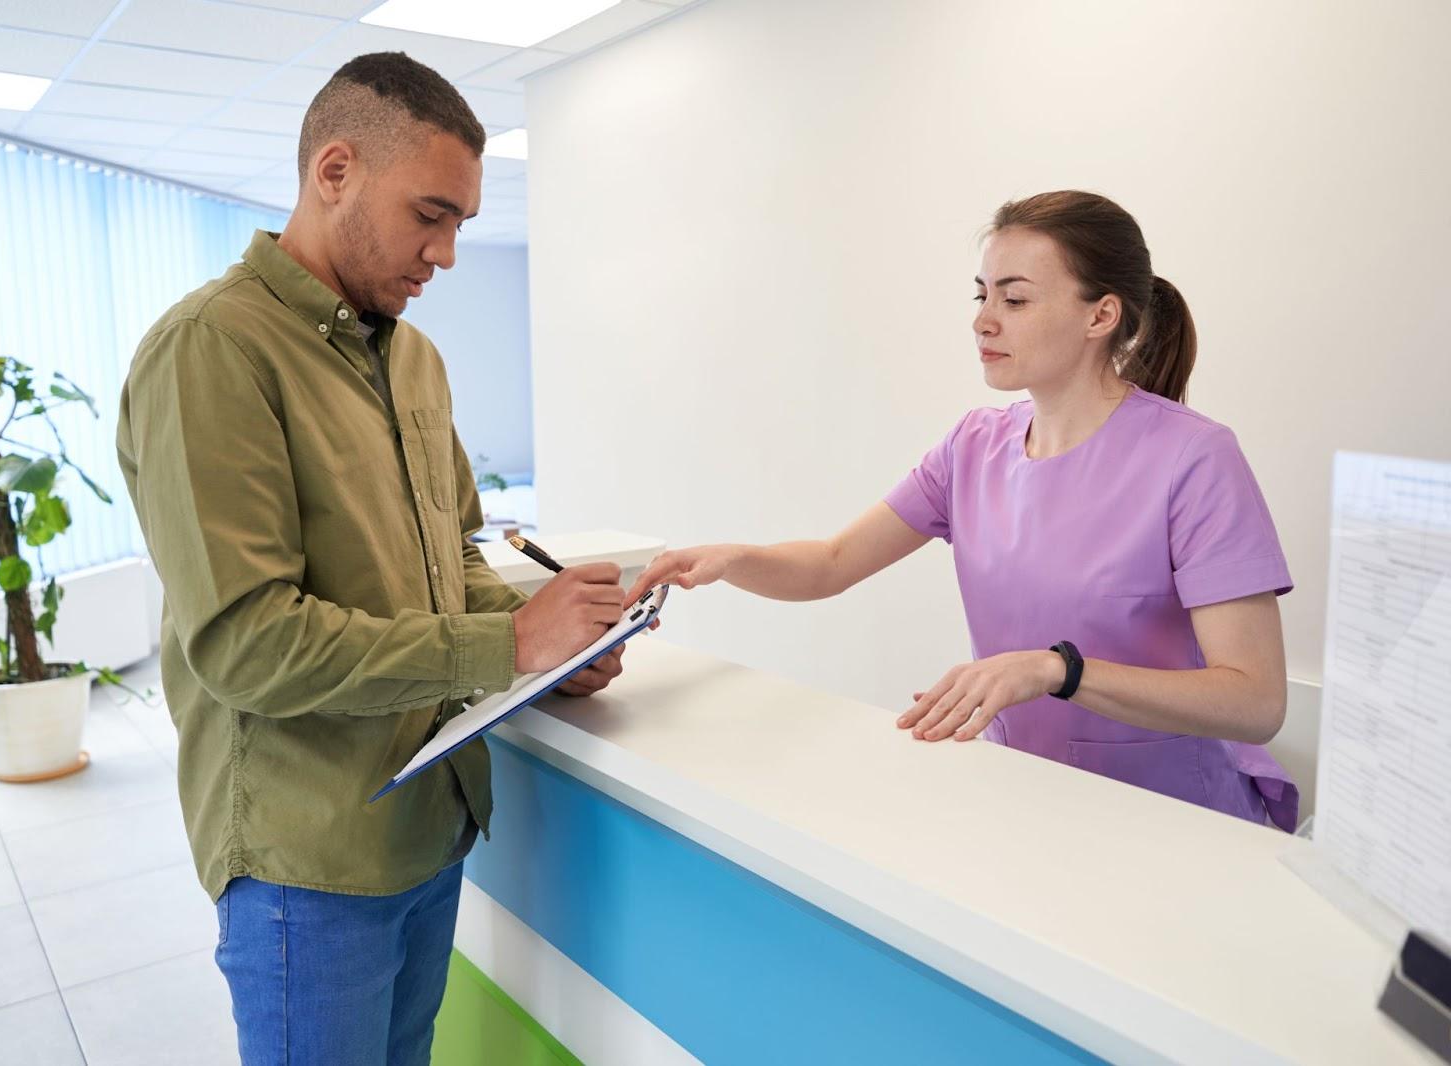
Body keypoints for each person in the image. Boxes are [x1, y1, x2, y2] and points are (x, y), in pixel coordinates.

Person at [116, 52, 629, 1065]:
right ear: (334, 171)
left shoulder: (412, 356)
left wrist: (547, 649)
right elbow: (247, 642)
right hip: (308, 863)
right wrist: (504, 643)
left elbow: (459, 561)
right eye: (429, 214)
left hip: (429, 830)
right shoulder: (212, 351)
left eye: (460, 227)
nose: (443, 253)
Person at [626, 190, 1298, 831]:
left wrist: (1058, 669)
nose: (983, 320)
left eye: (1015, 298)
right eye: (982, 295)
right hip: (1024, 795)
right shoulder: (973, 446)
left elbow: (1254, 701)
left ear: (1101, 316)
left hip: (1172, 818)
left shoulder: (1194, 457)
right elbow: (830, 565)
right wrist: (732, 558)